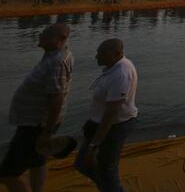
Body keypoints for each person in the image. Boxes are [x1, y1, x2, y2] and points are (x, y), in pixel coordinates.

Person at [1, 24, 74, 192]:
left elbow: (57, 98)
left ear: (60, 40)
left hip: (36, 125)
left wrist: (46, 132)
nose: (40, 35)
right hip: (39, 122)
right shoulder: (58, 55)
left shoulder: (56, 62)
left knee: (7, 173)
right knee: (37, 159)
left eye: (47, 35)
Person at [75, 38, 138, 192]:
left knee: (107, 169)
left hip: (114, 127)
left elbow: (111, 113)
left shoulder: (121, 74)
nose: (97, 56)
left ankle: (111, 188)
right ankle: (108, 187)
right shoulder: (115, 67)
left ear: (115, 54)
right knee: (84, 164)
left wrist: (94, 145)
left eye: (101, 53)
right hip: (101, 124)